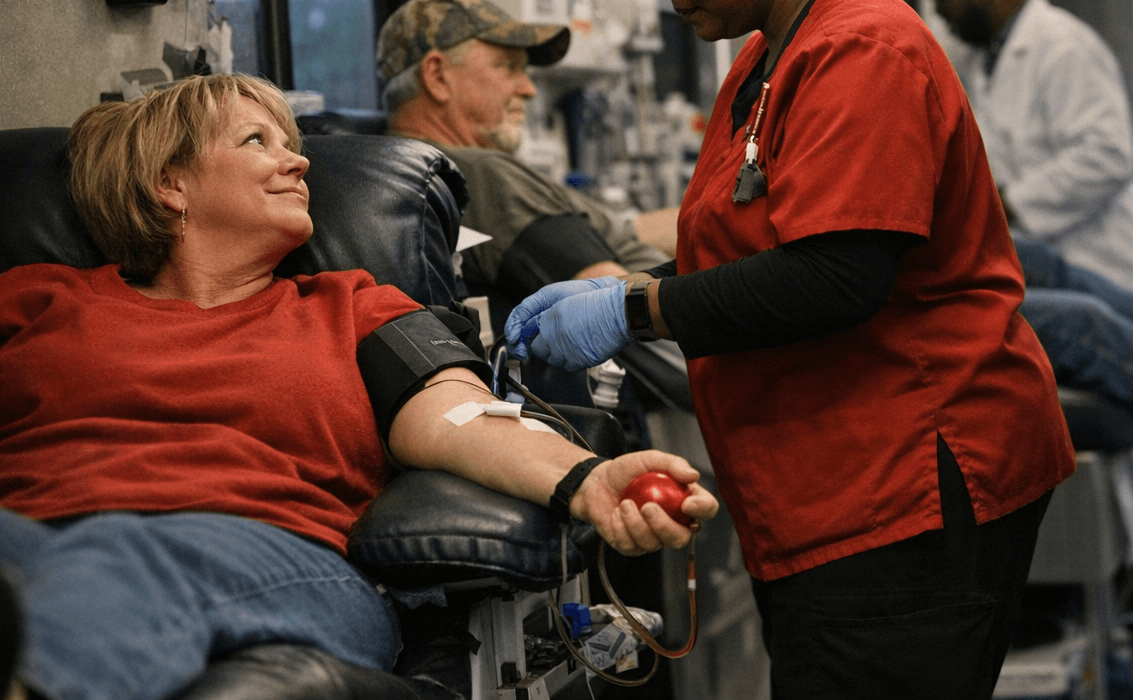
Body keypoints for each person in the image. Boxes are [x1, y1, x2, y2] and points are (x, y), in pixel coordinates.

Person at [503, 0, 1076, 700]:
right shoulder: (767, 56)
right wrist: (637, 288)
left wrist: (633, 310)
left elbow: (836, 276)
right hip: (831, 478)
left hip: (911, 476)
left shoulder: (863, 48)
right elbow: (757, 242)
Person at [0, 74, 717, 700]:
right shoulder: (39, 302)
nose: (298, 158)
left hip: (269, 555)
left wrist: (589, 479)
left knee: (121, 555)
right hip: (38, 536)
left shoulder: (349, 305)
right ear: (171, 182)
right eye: (258, 141)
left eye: (292, 142)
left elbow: (461, 417)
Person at [926, 0, 1133, 301]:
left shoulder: (1064, 45)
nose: (941, 13)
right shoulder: (980, 59)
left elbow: (1108, 154)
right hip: (1051, 274)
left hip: (1108, 273)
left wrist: (1008, 204)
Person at [377, 0, 675, 296]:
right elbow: (615, 305)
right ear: (438, 76)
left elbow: (621, 236)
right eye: (508, 66)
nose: (529, 88)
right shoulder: (482, 175)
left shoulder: (405, 172)